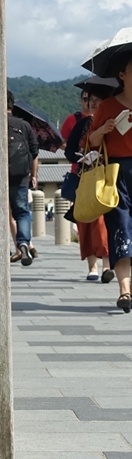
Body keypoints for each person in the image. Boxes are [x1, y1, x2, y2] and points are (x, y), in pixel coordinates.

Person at [88, 51, 132, 311]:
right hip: (116, 172)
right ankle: (125, 290)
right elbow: (90, 142)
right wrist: (102, 131)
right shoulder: (107, 106)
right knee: (121, 227)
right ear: (122, 76)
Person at [65, 86, 114, 282]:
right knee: (85, 221)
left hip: (107, 176)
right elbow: (69, 151)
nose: (93, 102)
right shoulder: (82, 124)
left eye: (98, 98)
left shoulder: (112, 123)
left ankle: (107, 266)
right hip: (85, 177)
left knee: (103, 221)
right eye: (90, 98)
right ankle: (92, 266)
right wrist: (82, 156)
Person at [7, 90, 39, 265]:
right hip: (21, 176)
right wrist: (33, 175)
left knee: (3, 213)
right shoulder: (24, 125)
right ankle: (24, 243)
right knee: (22, 212)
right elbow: (34, 153)